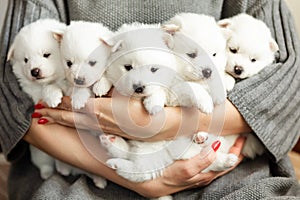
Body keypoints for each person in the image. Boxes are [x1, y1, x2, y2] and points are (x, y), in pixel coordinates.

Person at [0, 0, 299, 199]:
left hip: (225, 164)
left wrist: (167, 124)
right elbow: (10, 92)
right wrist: (138, 176)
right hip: (76, 157)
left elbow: (290, 79)